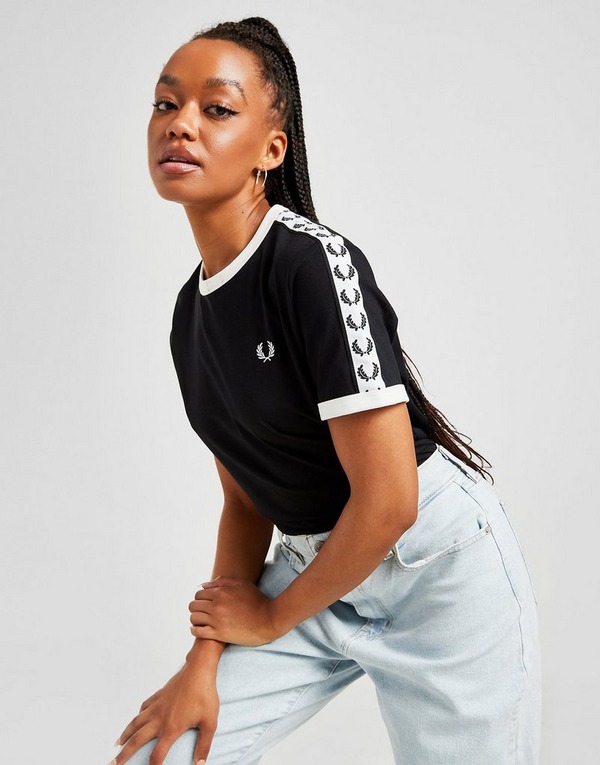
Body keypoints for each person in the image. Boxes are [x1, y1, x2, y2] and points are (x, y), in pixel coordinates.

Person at [111, 17, 541, 765]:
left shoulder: (314, 265)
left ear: (271, 151)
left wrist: (272, 616)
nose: (181, 124)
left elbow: (390, 500)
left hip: (435, 575)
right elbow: (246, 502)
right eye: (165, 104)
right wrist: (202, 663)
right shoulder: (190, 318)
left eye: (218, 108)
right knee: (164, 753)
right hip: (317, 573)